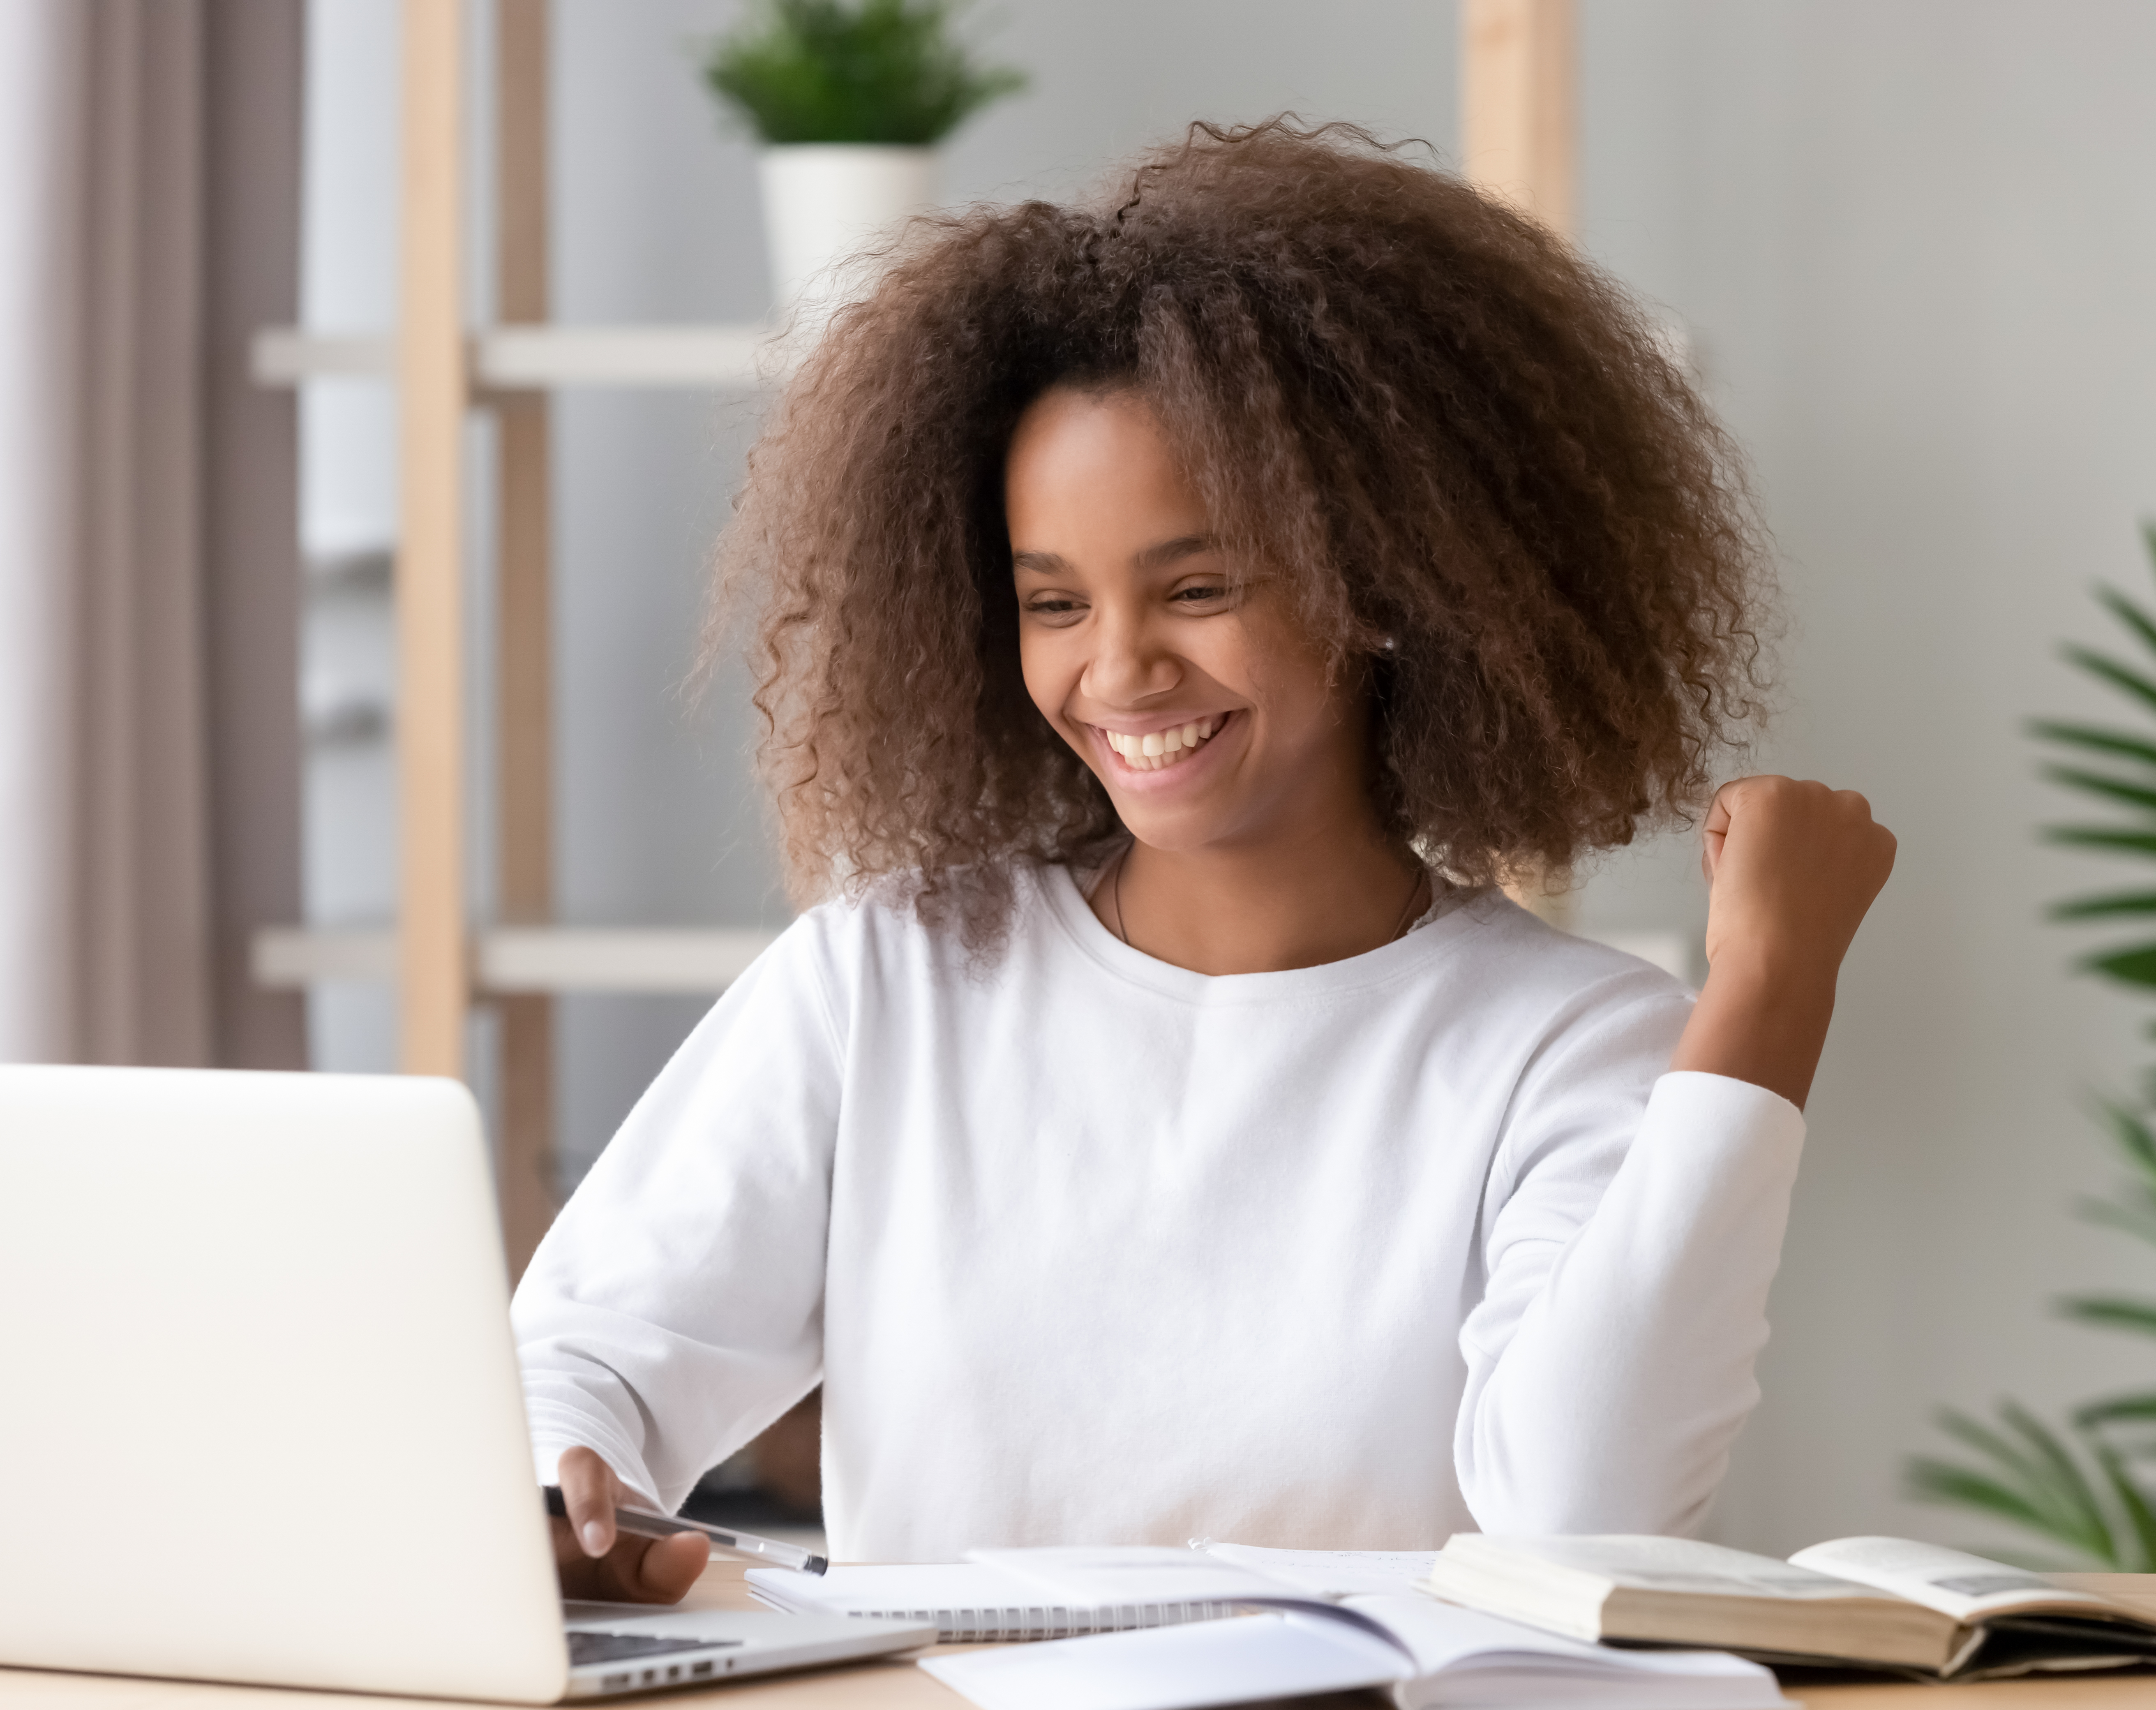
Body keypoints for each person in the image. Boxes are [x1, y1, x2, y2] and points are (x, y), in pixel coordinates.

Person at [514, 120, 1895, 1602]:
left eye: (1198, 587)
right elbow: (591, 1356)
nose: (1119, 671)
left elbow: (1584, 1511)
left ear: (1383, 585)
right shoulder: (888, 977)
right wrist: (554, 1482)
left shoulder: (1566, 1046)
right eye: (1054, 604)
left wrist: (1767, 994)